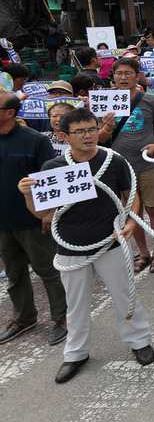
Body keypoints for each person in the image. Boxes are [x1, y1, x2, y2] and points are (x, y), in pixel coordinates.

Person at [17, 107, 154, 383]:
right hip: (71, 246)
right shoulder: (53, 169)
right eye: (79, 132)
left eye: (91, 129)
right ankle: (76, 353)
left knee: (125, 296)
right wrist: (29, 196)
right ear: (64, 136)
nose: (88, 136)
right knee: (75, 304)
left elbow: (131, 195)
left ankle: (140, 341)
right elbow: (44, 215)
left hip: (111, 242)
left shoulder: (113, 161)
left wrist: (131, 223)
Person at [0, 92, 68, 346]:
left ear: (9, 113)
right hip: (3, 223)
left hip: (33, 220)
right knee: (14, 273)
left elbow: (52, 179)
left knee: (49, 271)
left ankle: (62, 318)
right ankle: (24, 317)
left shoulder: (35, 141)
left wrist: (49, 212)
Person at [97, 57, 154, 274]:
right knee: (132, 212)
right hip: (120, 168)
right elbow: (100, 139)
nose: (123, 77)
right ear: (113, 76)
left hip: (147, 164)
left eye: (128, 73)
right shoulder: (104, 102)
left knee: (153, 208)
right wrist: (107, 127)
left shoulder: (150, 100)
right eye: (119, 73)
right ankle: (143, 253)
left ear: (137, 75)